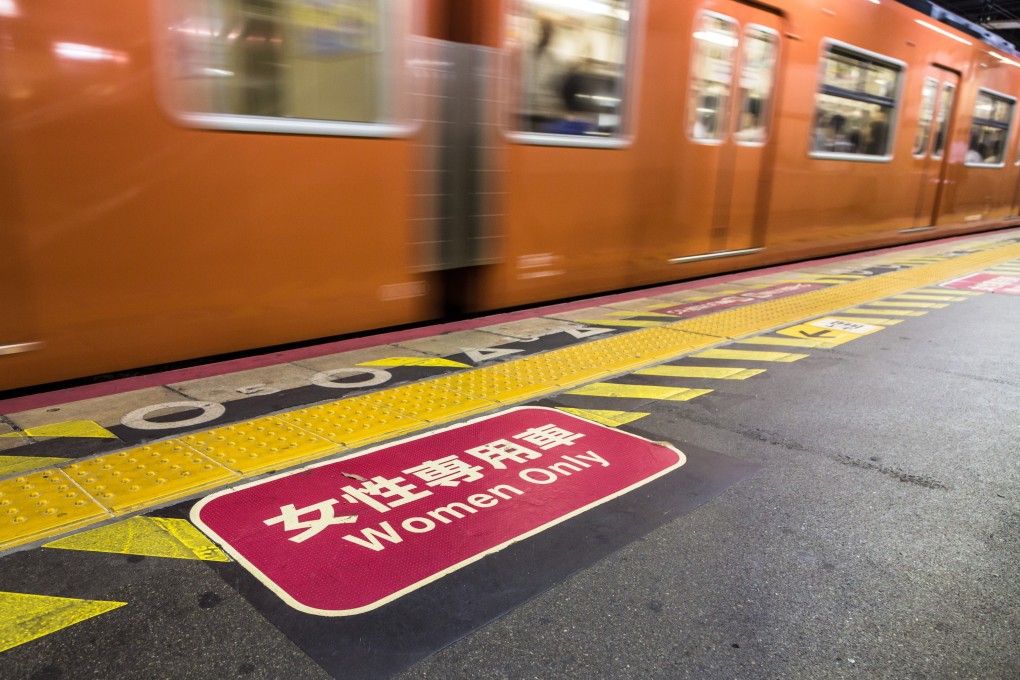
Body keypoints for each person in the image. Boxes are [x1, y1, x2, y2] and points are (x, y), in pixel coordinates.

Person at [523, 18, 569, 132]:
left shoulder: (554, 61)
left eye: (549, 33)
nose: (547, 36)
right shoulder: (524, 55)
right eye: (544, 31)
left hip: (545, 116)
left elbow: (559, 90)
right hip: (525, 113)